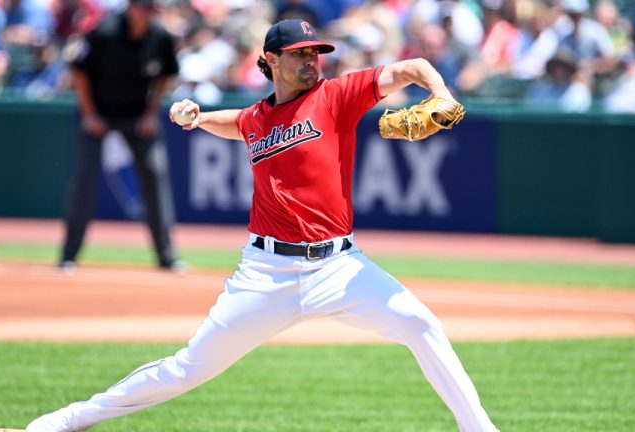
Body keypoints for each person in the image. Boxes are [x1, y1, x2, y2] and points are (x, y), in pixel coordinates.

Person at [26, 19, 499, 432]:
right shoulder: (258, 118)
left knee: (420, 324)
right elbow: (240, 123)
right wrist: (196, 118)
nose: (312, 60)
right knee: (188, 367)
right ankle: (72, 419)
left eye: (316, 52)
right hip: (264, 274)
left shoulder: (337, 96)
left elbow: (411, 67)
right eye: (299, 54)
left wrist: (442, 93)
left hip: (339, 269)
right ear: (270, 60)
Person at [57, 0, 184, 271]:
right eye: (143, 6)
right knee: (84, 177)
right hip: (97, 113)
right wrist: (89, 114)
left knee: (155, 172)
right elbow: (79, 72)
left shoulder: (160, 37)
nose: (147, 12)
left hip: (137, 116)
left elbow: (165, 75)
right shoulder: (104, 32)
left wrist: (151, 114)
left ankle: (167, 256)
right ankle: (69, 255)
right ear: (129, 7)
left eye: (152, 8)